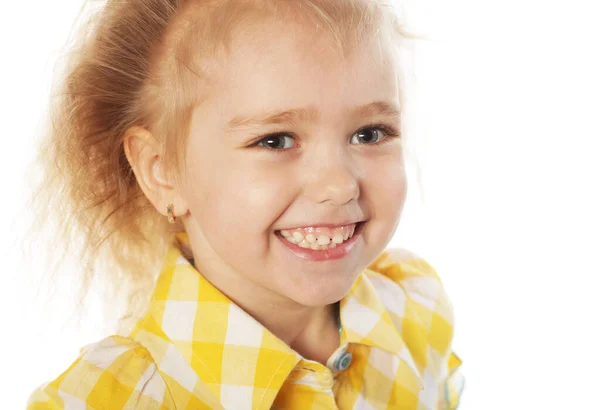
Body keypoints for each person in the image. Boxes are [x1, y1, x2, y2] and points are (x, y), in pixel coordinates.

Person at [26, 0, 465, 408]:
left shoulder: (415, 309)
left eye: (370, 133)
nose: (338, 185)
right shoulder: (107, 399)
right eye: (275, 140)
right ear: (162, 172)